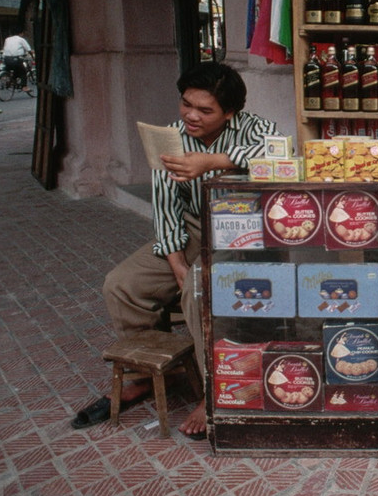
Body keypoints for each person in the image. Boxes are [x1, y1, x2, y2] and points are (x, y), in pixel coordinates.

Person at [70, 61, 283, 439]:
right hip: (191, 227)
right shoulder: (170, 136)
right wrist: (176, 262)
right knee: (121, 284)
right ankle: (144, 377)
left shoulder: (257, 127)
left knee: (198, 291)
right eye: (186, 104)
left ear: (230, 112)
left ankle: (214, 387)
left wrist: (214, 161)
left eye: (205, 110)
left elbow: (280, 155)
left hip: (243, 229)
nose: (191, 116)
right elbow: (166, 205)